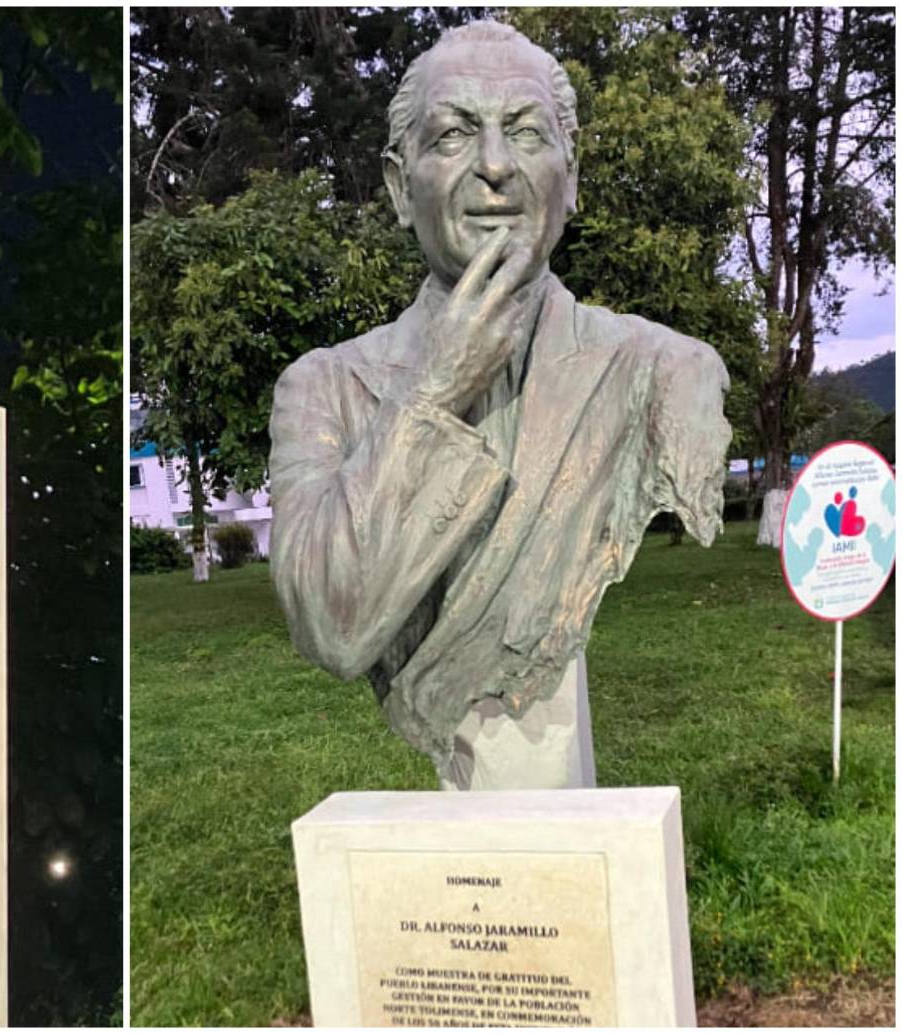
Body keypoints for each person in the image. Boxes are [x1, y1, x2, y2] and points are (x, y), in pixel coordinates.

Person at [268, 21, 731, 789]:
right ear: (397, 184)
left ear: (571, 176)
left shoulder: (664, 373)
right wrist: (435, 393)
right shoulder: (324, 387)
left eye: (523, 133)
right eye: (453, 135)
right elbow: (332, 627)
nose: (494, 167)